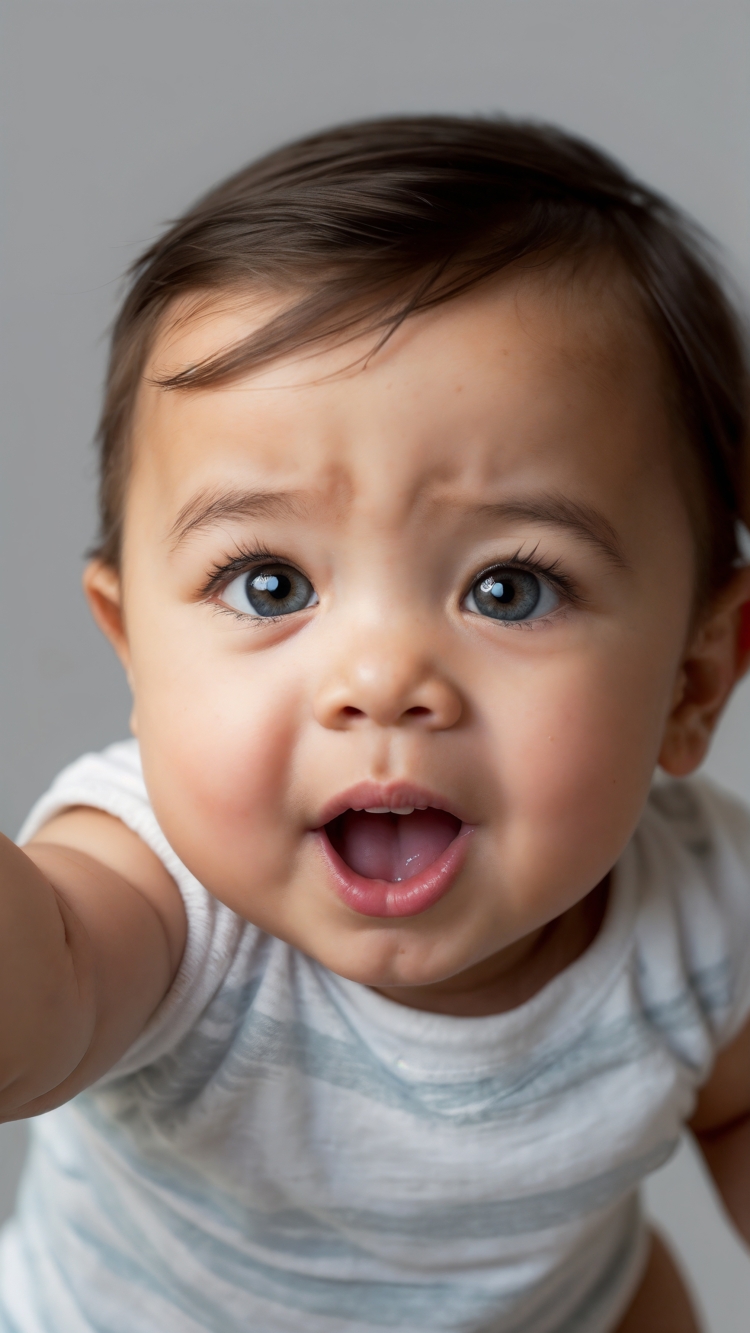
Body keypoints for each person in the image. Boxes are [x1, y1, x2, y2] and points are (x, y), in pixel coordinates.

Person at [0, 115, 748, 1333]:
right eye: (270, 584)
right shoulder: (156, 894)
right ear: (133, 644)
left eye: (510, 586)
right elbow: (48, 992)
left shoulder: (708, 913)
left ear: (693, 679)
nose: (384, 679)